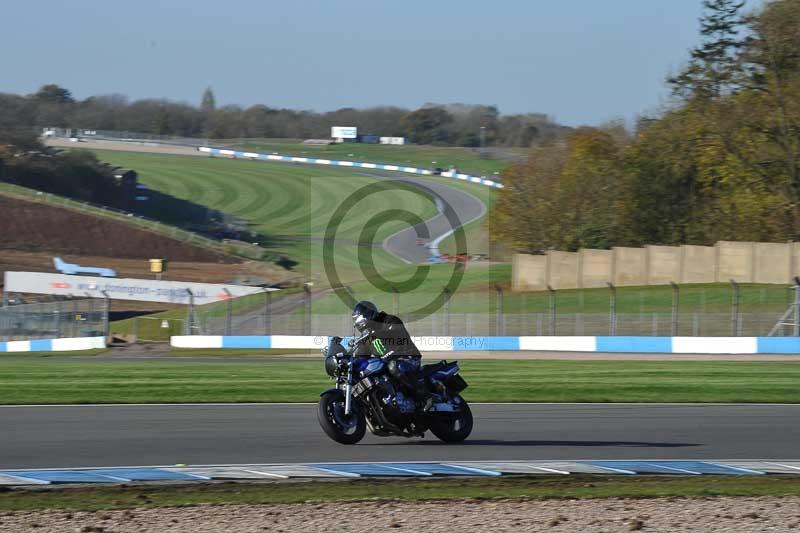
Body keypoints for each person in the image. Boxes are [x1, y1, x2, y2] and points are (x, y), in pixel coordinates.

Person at [351, 300, 425, 401]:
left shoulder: (389, 320)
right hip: (387, 363)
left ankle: (425, 395)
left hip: (408, 358)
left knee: (394, 367)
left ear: (368, 314)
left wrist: (376, 333)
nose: (357, 322)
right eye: (356, 319)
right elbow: (360, 356)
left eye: (359, 318)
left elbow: (398, 332)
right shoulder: (367, 337)